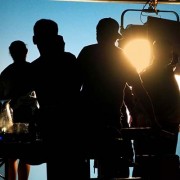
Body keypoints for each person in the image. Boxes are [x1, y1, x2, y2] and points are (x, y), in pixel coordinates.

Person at [77, 17, 159, 180]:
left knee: (81, 167)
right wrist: (153, 119)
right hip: (111, 122)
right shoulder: (121, 57)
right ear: (115, 36)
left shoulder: (87, 53)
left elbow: (72, 88)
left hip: (86, 122)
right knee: (114, 170)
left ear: (98, 33)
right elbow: (140, 90)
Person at [30, 18, 80, 180]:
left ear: (35, 40)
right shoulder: (69, 60)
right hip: (72, 128)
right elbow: (75, 88)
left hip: (51, 129)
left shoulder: (35, 67)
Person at [132, 39, 180, 180]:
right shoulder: (156, 75)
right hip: (161, 127)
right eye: (168, 52)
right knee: (161, 167)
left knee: (146, 167)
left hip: (158, 126)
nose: (170, 55)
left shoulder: (148, 74)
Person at [0, 40, 32, 180]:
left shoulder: (6, 73)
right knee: (26, 155)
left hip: (9, 119)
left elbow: (1, 97)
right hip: (28, 117)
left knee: (11, 156)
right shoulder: (33, 69)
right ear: (26, 52)